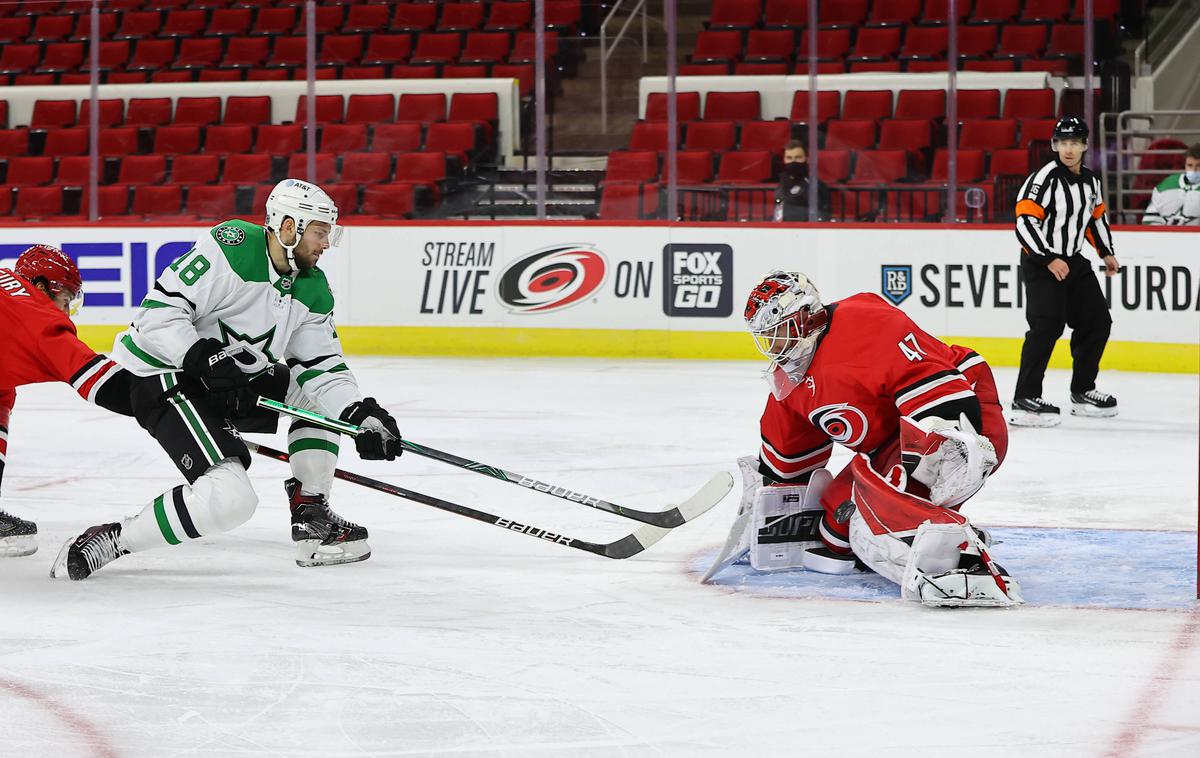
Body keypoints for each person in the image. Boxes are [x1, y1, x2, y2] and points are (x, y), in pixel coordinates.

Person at [52, 179, 404, 580]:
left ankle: (311, 512)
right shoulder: (231, 247)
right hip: (165, 376)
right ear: (289, 227)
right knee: (231, 500)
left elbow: (321, 365)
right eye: (321, 232)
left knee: (316, 400)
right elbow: (156, 316)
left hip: (230, 379)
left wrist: (358, 413)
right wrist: (199, 356)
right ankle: (114, 539)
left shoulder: (312, 287)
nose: (327, 244)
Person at [705, 271, 1021, 607]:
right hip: (893, 443)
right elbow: (788, 460)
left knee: (887, 505)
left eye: (781, 330)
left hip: (959, 416)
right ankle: (919, 533)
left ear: (807, 316)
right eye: (768, 335)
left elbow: (937, 386)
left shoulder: (864, 322)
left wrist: (947, 441)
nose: (775, 343)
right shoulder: (791, 379)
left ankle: (964, 563)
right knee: (835, 533)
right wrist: (768, 501)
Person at [0, 245, 133, 556]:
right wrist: (165, 400)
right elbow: (101, 382)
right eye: (65, 300)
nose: (64, 310)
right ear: (44, 286)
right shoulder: (36, 318)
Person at [1011, 116, 1121, 427]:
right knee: (1046, 328)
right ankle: (1025, 398)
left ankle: (1083, 391)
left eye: (1074, 142)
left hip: (1073, 262)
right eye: (1063, 142)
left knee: (1097, 322)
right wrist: (1048, 258)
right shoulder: (1044, 178)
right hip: (1041, 263)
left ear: (1085, 145)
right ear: (1054, 145)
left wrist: (1107, 252)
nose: (1068, 148)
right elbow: (1024, 222)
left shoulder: (1091, 182)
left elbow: (1095, 220)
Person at [1142, 143, 1200, 226]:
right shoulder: (1166, 185)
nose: (1193, 170)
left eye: (1198, 166)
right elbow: (1150, 221)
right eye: (1189, 165)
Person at [773, 140, 831, 222]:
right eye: (789, 158)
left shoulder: (817, 186)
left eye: (798, 157)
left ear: (807, 159)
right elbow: (777, 213)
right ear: (784, 160)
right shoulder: (781, 184)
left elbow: (823, 217)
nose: (793, 161)